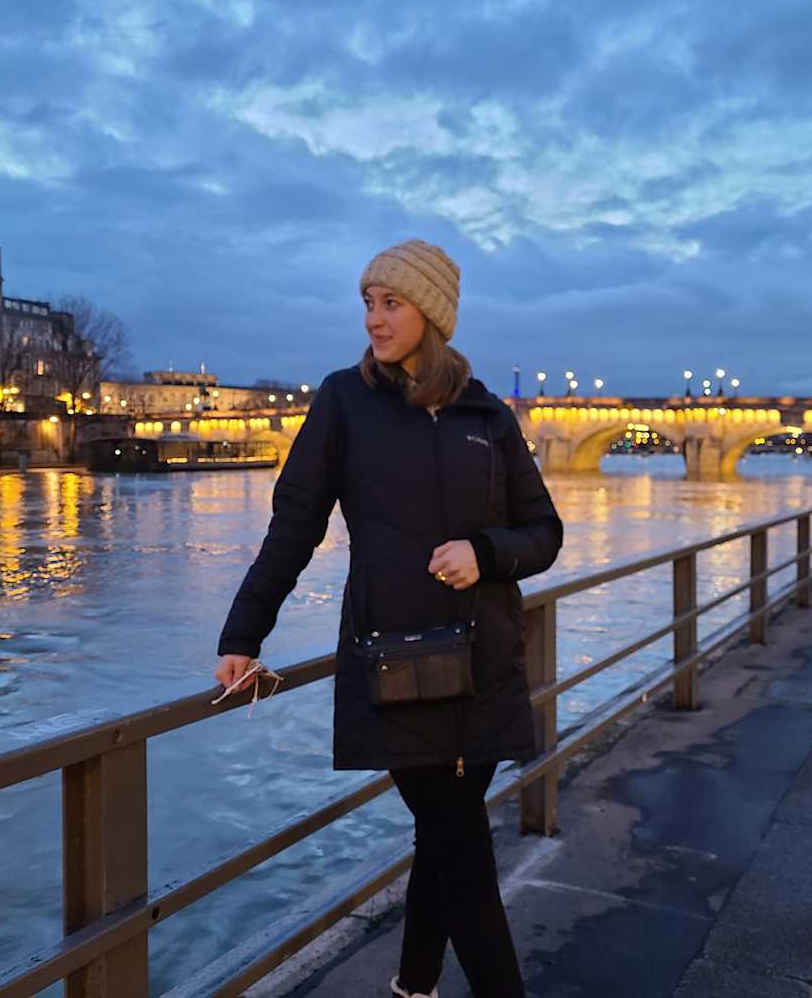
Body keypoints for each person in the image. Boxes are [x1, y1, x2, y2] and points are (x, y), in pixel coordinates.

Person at [214, 240, 563, 998]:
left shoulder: (486, 415)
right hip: (396, 666)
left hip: (485, 665)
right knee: (462, 853)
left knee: (445, 841)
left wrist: (484, 551)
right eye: (367, 302)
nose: (373, 319)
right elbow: (294, 525)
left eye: (390, 302)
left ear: (429, 313)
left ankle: (413, 987)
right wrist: (244, 634)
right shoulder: (343, 399)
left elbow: (545, 534)